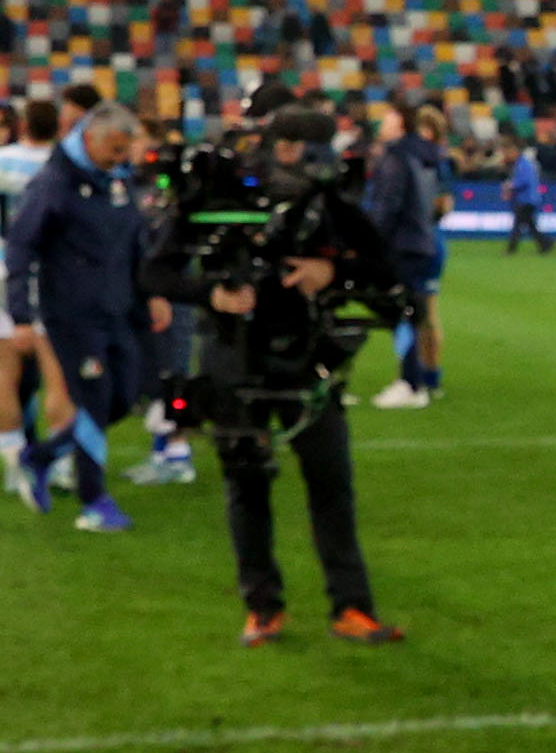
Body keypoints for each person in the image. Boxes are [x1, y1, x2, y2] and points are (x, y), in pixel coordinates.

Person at [161, 105, 409, 647]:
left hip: (308, 356)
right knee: (246, 484)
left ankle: (351, 607)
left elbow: (385, 267)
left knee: (331, 483)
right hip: (233, 354)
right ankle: (262, 606)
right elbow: (155, 271)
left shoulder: (328, 204)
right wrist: (213, 293)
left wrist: (333, 271)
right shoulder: (219, 194)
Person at [6, 100, 158, 532]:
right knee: (93, 399)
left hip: (118, 308)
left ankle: (41, 456)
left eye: (125, 150)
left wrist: (150, 295)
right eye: (113, 148)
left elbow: (133, 243)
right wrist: (20, 313)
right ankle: (95, 501)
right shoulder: (53, 183)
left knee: (123, 398)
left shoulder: (117, 179)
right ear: (89, 139)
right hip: (71, 313)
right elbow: (21, 246)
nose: (120, 157)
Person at [0, 96, 70, 504]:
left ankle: (12, 464)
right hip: (46, 273)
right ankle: (59, 462)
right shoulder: (61, 166)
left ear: (22, 125)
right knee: (56, 373)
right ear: (58, 126)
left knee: (2, 371)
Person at [364, 100, 452, 407]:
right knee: (415, 312)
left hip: (405, 245)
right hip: (423, 243)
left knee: (404, 312)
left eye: (388, 117)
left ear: (401, 124)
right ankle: (420, 380)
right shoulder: (423, 156)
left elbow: (388, 206)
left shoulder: (398, 157)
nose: (381, 122)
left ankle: (411, 382)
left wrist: (370, 242)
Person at [502, 135, 549, 253]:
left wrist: (511, 185)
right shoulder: (522, 164)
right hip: (528, 199)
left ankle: (511, 249)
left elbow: (524, 181)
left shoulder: (524, 165)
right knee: (530, 225)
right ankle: (546, 244)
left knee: (518, 225)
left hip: (527, 200)